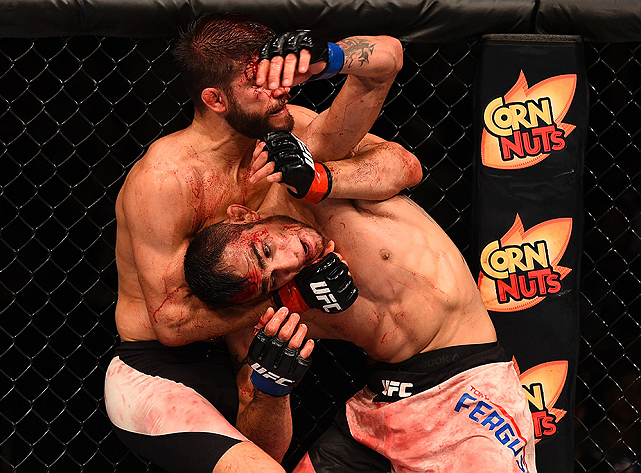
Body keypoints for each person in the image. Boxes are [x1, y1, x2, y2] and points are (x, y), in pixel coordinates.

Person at [104, 11, 419, 473]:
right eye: (259, 81)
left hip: (249, 359)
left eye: (280, 74)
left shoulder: (282, 132)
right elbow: (171, 321)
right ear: (215, 98)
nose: (281, 89)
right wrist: (296, 293)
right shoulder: (167, 178)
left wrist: (319, 179)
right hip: (158, 370)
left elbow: (401, 163)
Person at [184, 135, 538, 473]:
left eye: (265, 250)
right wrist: (271, 388)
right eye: (271, 281)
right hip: (381, 406)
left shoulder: (302, 176)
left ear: (246, 216)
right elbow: (259, 457)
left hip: (468, 393)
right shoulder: (268, 316)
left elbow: (405, 165)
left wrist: (323, 178)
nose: (288, 262)